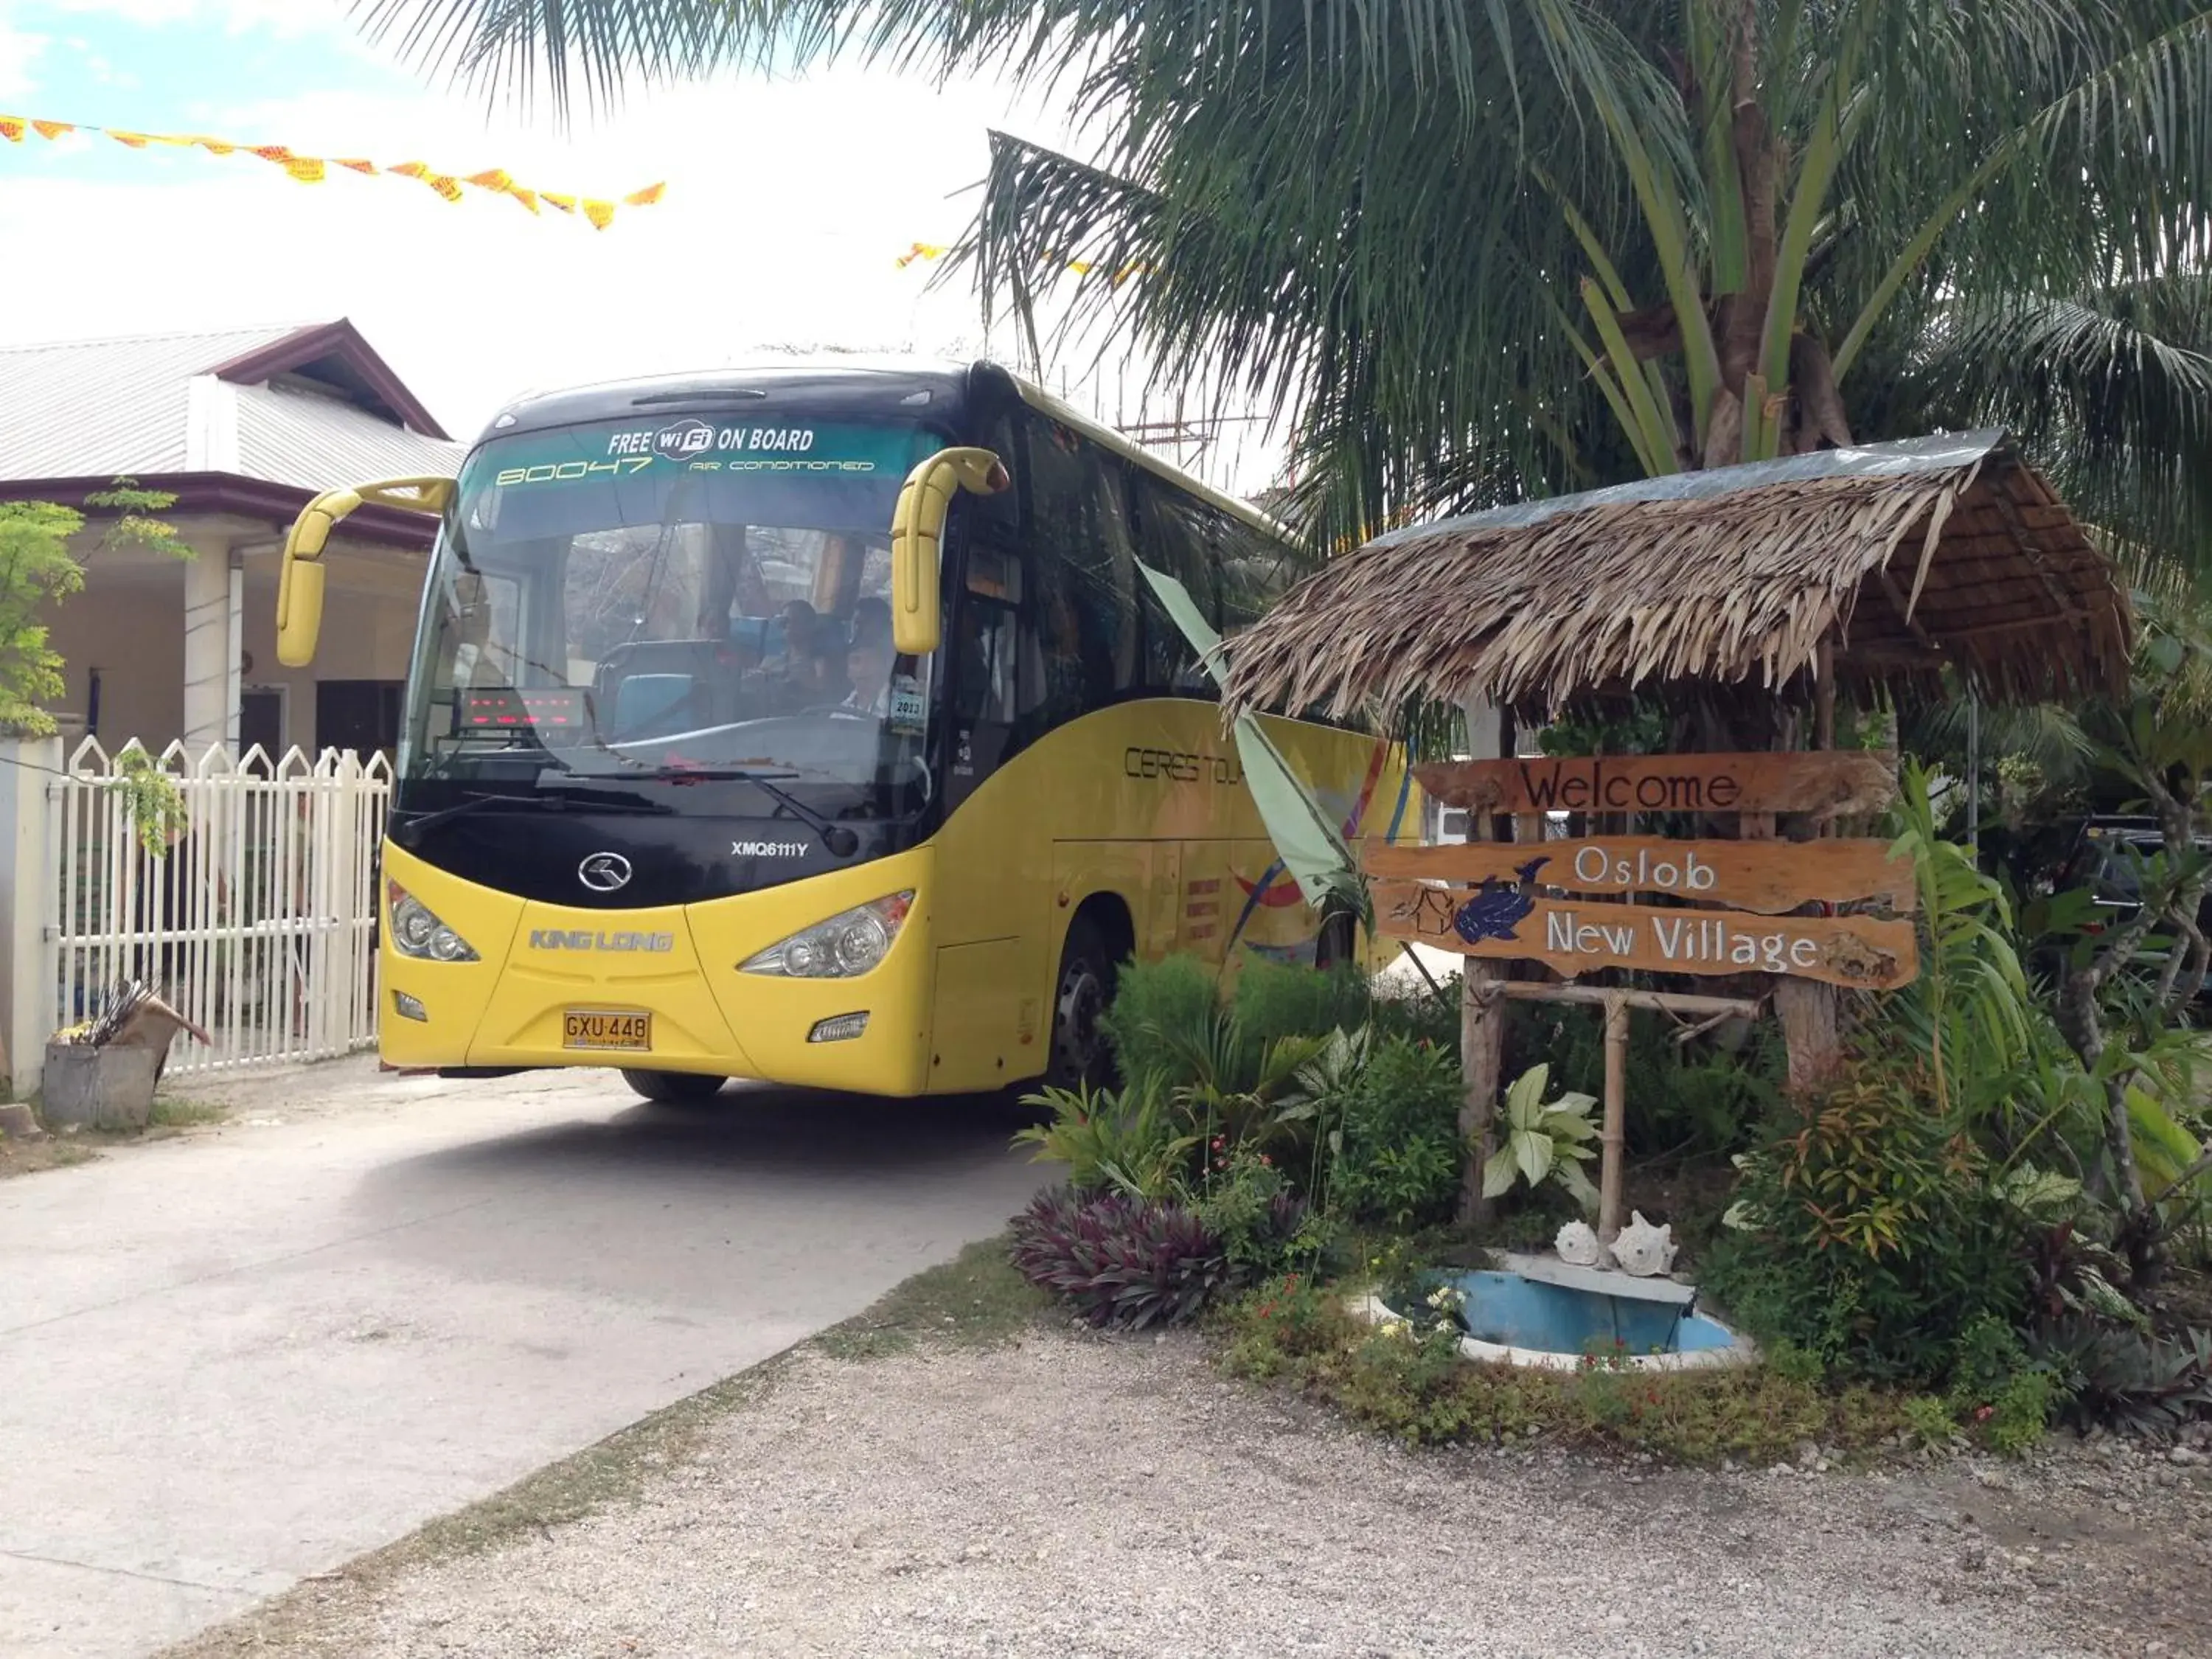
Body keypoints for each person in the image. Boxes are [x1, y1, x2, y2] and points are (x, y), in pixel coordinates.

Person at [843, 597, 897, 716]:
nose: (859, 630)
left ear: (887, 663)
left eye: (865, 623)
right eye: (856, 661)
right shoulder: (841, 711)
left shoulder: (899, 704)